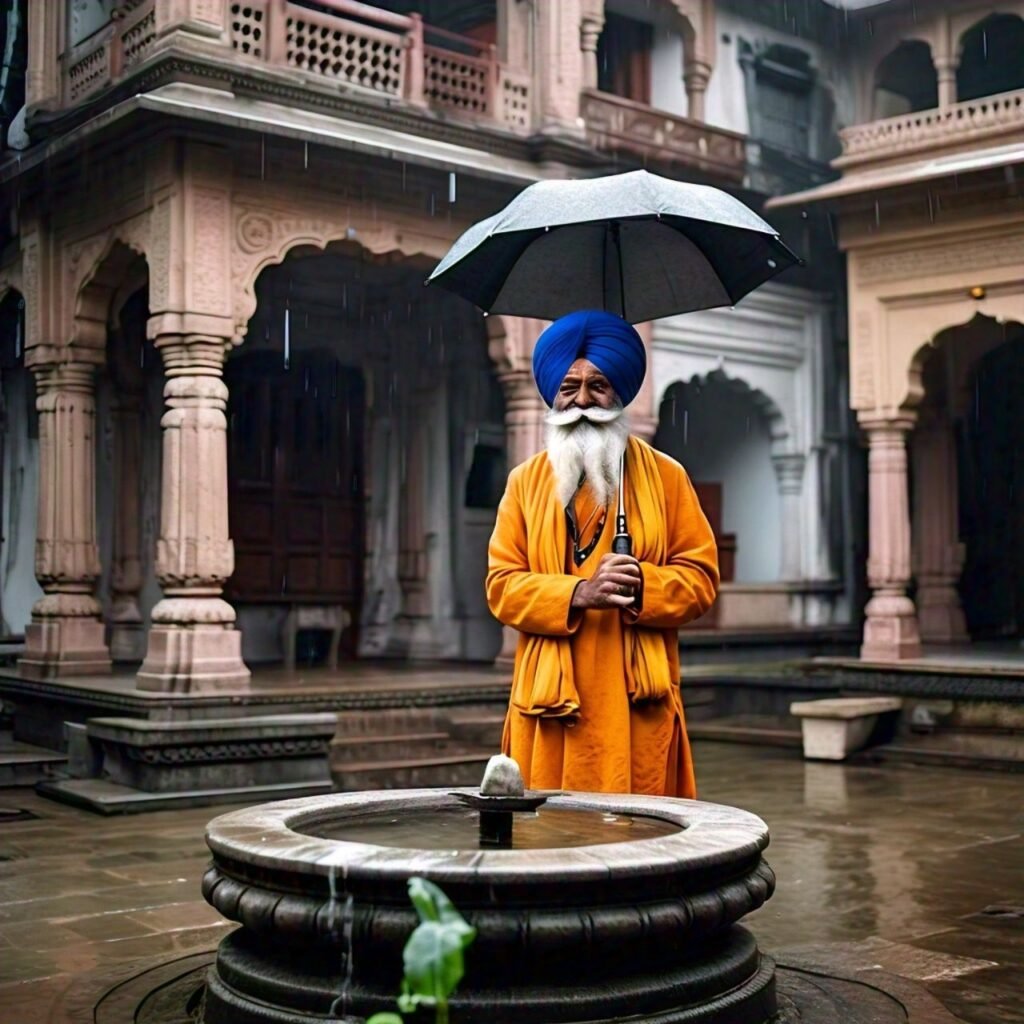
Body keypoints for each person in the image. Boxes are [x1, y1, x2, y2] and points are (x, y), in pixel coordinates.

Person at [486, 310, 719, 797]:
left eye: (598, 385)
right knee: (548, 843)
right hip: (551, 704)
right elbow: (501, 588)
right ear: (552, 393)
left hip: (634, 700)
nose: (582, 401)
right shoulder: (525, 482)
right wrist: (578, 593)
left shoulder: (667, 476)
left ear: (621, 391)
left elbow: (701, 580)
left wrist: (643, 586)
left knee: (638, 838)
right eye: (569, 387)